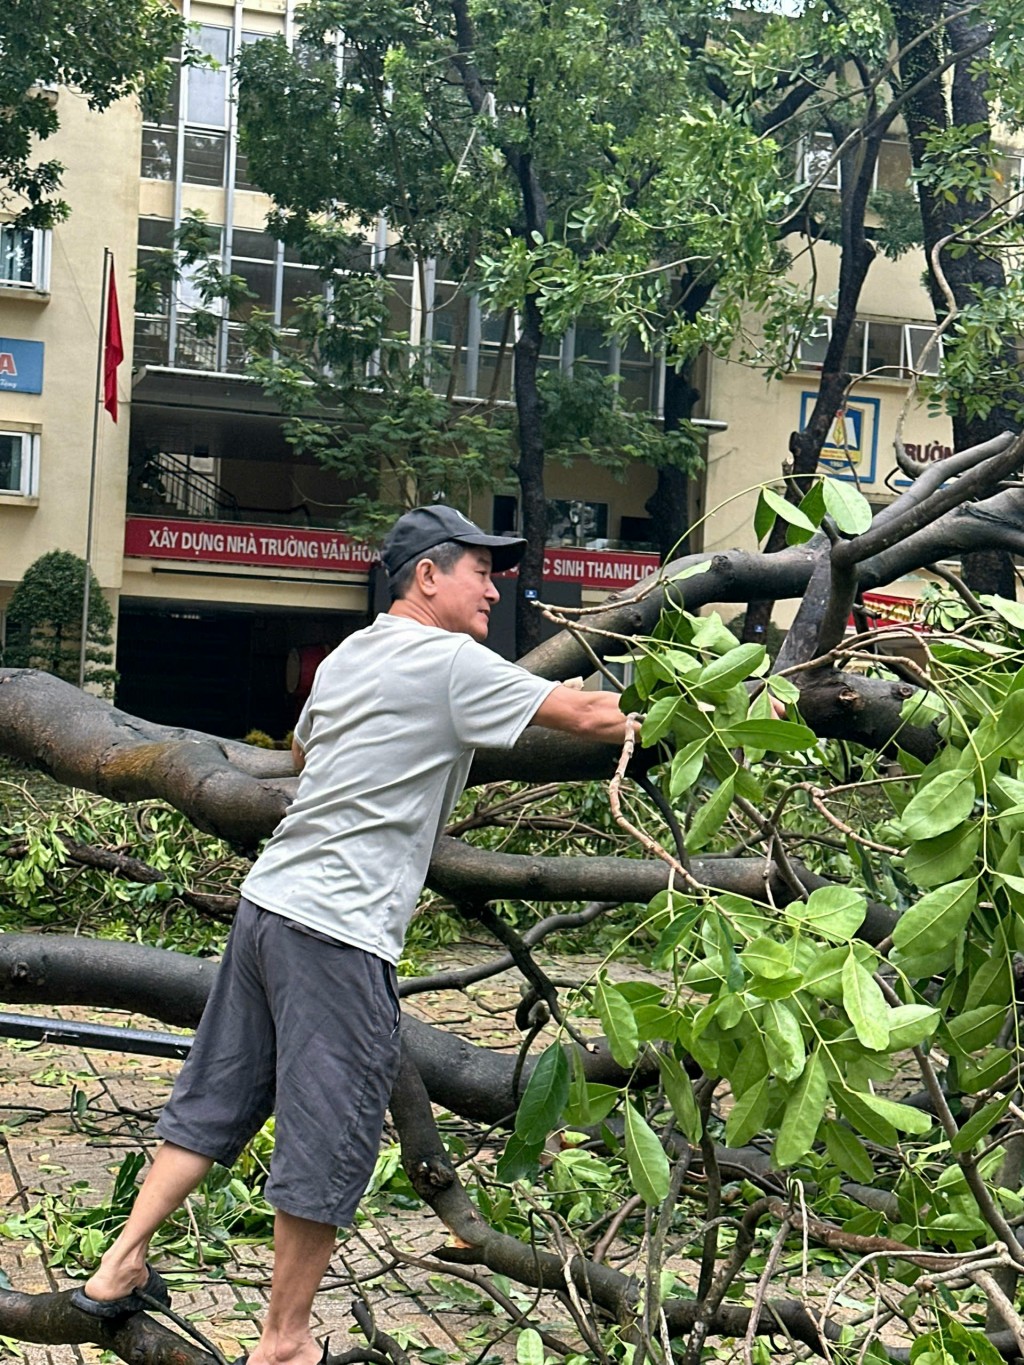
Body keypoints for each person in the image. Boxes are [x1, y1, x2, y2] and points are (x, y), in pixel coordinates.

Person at [72, 504, 628, 1365]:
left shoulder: (348, 656)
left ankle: (118, 1262)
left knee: (216, 1094)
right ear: (427, 576)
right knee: (330, 1127)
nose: (495, 583)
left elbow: (301, 755)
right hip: (337, 927)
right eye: (480, 567)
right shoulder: (449, 660)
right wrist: (694, 711)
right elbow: (592, 717)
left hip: (268, 906)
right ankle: (284, 1340)